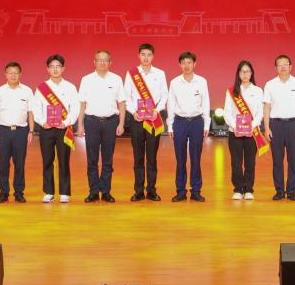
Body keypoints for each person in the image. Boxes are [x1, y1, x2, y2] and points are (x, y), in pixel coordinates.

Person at [76, 50, 126, 202]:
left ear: (110, 63)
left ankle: (105, 191)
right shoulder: (86, 80)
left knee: (107, 159)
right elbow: (82, 104)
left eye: (105, 60)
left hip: (111, 122)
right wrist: (80, 125)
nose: (102, 62)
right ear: (94, 62)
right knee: (92, 159)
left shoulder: (116, 79)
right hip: (91, 122)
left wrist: (121, 123)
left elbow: (122, 103)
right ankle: (93, 191)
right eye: (99, 60)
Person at [31, 54, 80, 203]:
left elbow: (75, 108)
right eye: (52, 66)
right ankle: (49, 192)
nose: (55, 69)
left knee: (64, 160)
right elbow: (35, 108)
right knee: (47, 160)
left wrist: (66, 122)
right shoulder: (41, 88)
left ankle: (65, 192)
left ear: (63, 68)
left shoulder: (70, 87)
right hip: (46, 129)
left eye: (58, 66)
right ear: (47, 69)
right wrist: (42, 122)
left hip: (63, 128)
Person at [123, 43, 168, 202]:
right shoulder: (131, 74)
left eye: (149, 55)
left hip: (153, 119)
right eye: (143, 54)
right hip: (137, 120)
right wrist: (133, 112)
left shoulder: (160, 74)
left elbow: (164, 95)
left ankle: (151, 190)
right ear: (139, 56)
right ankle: (138, 191)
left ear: (153, 56)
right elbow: (126, 96)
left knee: (152, 157)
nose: (146, 58)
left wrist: (157, 110)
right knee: (138, 157)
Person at [263, 54, 295, 200]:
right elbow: (267, 107)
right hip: (275, 124)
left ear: (291, 67)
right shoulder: (270, 84)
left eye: (286, 64)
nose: (283, 67)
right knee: (277, 160)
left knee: (293, 159)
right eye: (280, 64)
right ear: (276, 68)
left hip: (294, 124)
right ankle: (279, 191)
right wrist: (266, 127)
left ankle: (292, 191)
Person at [167, 51, 211, 202]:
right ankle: (180, 190)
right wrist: (170, 126)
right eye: (184, 63)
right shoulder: (174, 82)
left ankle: (196, 190)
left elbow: (206, 103)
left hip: (197, 122)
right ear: (180, 65)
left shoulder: (202, 81)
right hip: (179, 122)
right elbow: (171, 104)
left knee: (195, 158)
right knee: (180, 158)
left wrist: (206, 124)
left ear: (194, 64)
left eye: (189, 62)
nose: (186, 66)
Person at [0, 62, 34, 203]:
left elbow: (30, 112)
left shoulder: (27, 91)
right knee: (3, 163)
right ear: (5, 74)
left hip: (21, 131)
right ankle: (3, 192)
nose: (13, 75)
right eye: (10, 73)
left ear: (20, 74)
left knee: (19, 163)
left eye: (16, 73)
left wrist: (31, 131)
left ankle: (19, 192)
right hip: (3, 130)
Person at [223, 60, 266, 200]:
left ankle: (248, 189)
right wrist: (236, 127)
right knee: (236, 162)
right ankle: (237, 189)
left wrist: (251, 126)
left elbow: (260, 113)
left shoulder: (258, 91)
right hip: (234, 132)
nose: (245, 74)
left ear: (251, 73)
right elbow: (227, 112)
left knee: (250, 162)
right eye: (242, 72)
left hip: (251, 133)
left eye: (247, 71)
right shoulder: (232, 91)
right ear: (238, 74)